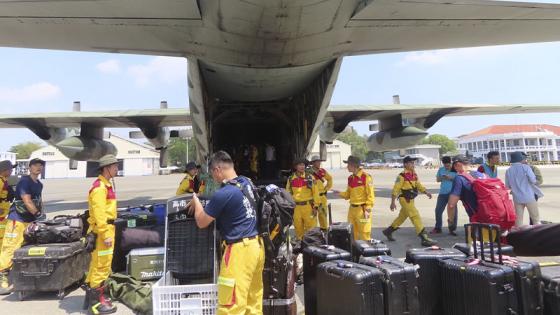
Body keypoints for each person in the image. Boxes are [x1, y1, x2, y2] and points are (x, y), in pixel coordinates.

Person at [189, 151, 265, 314]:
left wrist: (196, 201)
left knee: (231, 306)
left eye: (212, 174)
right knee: (253, 303)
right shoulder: (247, 183)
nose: (213, 178)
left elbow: (202, 222)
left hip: (239, 252)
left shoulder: (223, 193)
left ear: (217, 169)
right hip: (256, 246)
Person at [0, 158, 44, 295]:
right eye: (35, 165)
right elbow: (27, 200)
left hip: (29, 221)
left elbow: (39, 200)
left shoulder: (39, 184)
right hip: (17, 221)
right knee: (10, 247)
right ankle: (2, 279)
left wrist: (41, 213)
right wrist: (37, 213)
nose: (38, 168)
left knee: (26, 249)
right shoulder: (24, 182)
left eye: (41, 166)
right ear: (29, 168)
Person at [83, 155, 119, 314]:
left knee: (97, 266)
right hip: (102, 231)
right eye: (115, 166)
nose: (117, 169)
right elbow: (99, 215)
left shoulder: (106, 185)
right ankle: (96, 304)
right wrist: (105, 234)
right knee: (101, 266)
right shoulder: (99, 188)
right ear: (106, 168)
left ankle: (94, 297)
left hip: (107, 229)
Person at [383, 156, 436, 246]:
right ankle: (424, 238)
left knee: (402, 217)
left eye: (413, 162)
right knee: (415, 216)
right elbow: (396, 189)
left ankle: (388, 231)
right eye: (411, 163)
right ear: (405, 164)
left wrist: (426, 192)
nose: (413, 164)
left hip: (411, 199)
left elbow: (418, 185)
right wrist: (392, 202)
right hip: (405, 199)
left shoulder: (414, 174)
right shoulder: (401, 176)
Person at [446, 155, 487, 232]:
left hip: (476, 218)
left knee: (477, 242)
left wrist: (450, 221)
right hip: (492, 215)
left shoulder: (459, 178)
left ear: (458, 165)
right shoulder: (483, 175)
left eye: (454, 167)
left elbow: (451, 205)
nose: (455, 169)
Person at [338, 156, 374, 241]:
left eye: (348, 165)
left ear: (353, 165)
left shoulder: (366, 177)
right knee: (352, 233)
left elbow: (370, 195)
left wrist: (367, 210)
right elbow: (347, 195)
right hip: (352, 210)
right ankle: (355, 252)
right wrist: (339, 193)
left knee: (364, 234)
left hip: (362, 210)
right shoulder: (350, 178)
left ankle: (367, 252)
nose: (347, 167)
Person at [505, 152, 543, 226]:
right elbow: (533, 180)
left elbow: (507, 186)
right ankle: (538, 235)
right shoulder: (526, 167)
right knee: (535, 219)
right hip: (529, 197)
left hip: (517, 198)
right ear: (520, 159)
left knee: (518, 220)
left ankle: (518, 235)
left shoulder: (508, 170)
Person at [287, 157, 320, 239]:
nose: (302, 167)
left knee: (311, 231)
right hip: (296, 208)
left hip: (309, 208)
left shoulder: (310, 178)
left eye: (303, 165)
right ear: (295, 167)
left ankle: (312, 249)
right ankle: (300, 248)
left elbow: (316, 193)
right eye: (300, 165)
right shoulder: (291, 179)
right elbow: (288, 194)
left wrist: (316, 207)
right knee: (298, 230)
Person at [431, 156, 457, 235]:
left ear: (450, 163)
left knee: (453, 212)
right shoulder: (441, 169)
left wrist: (449, 178)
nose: (447, 166)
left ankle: (452, 229)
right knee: (438, 210)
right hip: (442, 193)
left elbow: (458, 180)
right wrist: (442, 177)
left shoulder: (455, 170)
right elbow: (437, 180)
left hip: (452, 194)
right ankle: (438, 227)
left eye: (448, 165)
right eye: (445, 165)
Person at [309, 155, 333, 232]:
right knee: (313, 217)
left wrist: (326, 188)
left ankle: (324, 232)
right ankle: (314, 233)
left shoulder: (322, 171)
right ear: (313, 163)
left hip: (322, 197)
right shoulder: (308, 172)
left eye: (319, 161)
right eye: (317, 162)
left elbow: (330, 179)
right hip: (313, 198)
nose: (319, 163)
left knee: (323, 216)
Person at [0, 161, 15, 248]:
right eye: (10, 169)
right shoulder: (0, 181)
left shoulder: (3, 180)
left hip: (4, 212)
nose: (11, 171)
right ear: (4, 170)